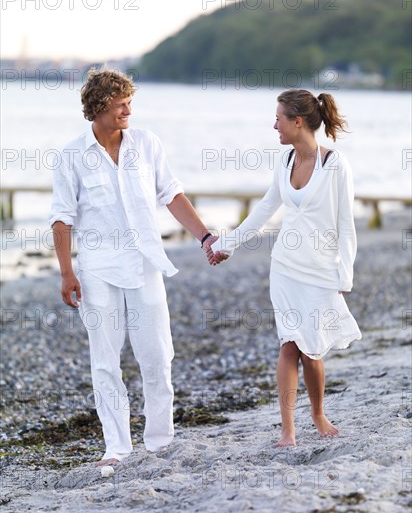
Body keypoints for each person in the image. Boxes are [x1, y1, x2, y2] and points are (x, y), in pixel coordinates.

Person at [50, 68, 219, 466]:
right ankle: (117, 448)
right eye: (119, 102)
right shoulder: (71, 155)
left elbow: (172, 195)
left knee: (158, 354)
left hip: (146, 263)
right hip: (97, 270)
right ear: (98, 107)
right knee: (106, 361)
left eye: (129, 101)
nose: (128, 108)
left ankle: (160, 440)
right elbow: (62, 217)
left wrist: (205, 237)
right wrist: (66, 271)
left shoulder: (147, 144)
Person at [210, 89, 362, 447]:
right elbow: (263, 212)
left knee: (313, 350)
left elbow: (346, 225)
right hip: (285, 267)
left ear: (297, 122)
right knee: (290, 345)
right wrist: (225, 245)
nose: (273, 124)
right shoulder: (284, 162)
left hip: (321, 271)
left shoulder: (334, 165)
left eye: (278, 118)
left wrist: (345, 276)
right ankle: (288, 430)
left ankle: (318, 413)